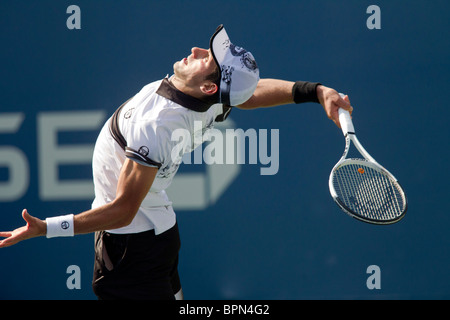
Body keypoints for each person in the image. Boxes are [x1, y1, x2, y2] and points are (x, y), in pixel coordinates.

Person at [0, 25, 352, 299]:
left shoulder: (156, 125)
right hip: (160, 230)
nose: (196, 50)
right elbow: (247, 95)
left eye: (208, 59)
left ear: (209, 88)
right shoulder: (210, 98)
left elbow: (122, 210)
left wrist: (47, 228)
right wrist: (314, 91)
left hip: (130, 253)